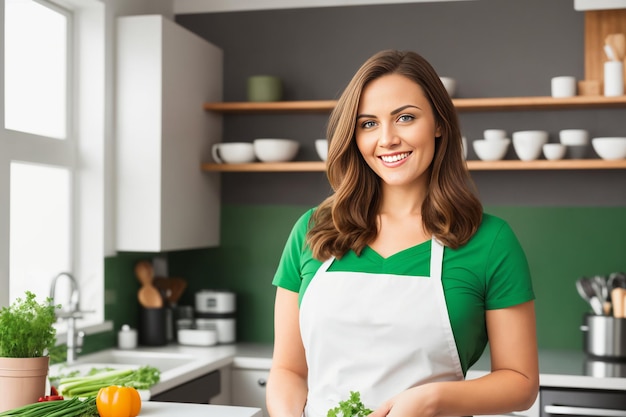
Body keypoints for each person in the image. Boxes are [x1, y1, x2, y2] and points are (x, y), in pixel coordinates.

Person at [266, 49, 539, 417]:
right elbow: (288, 369)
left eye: (405, 118)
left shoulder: (490, 241)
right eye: (368, 124)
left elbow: (520, 381)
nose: (388, 138)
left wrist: (431, 400)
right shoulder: (314, 230)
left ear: (439, 123)